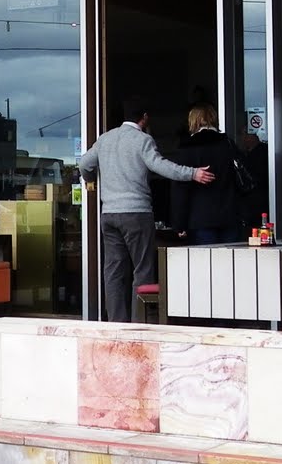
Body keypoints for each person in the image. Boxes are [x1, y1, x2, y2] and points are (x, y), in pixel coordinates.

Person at [79, 98, 213, 322]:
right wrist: (193, 173)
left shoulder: (105, 139)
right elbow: (160, 165)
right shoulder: (143, 140)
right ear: (144, 118)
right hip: (136, 214)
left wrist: (90, 181)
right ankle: (139, 323)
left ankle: (116, 324)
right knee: (142, 269)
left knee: (113, 271)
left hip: (109, 214)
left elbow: (85, 164)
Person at [169, 104, 243, 244]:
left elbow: (181, 189)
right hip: (230, 215)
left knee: (205, 263)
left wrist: (179, 224)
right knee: (231, 263)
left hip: (200, 218)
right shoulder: (228, 144)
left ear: (193, 121)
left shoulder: (188, 148)